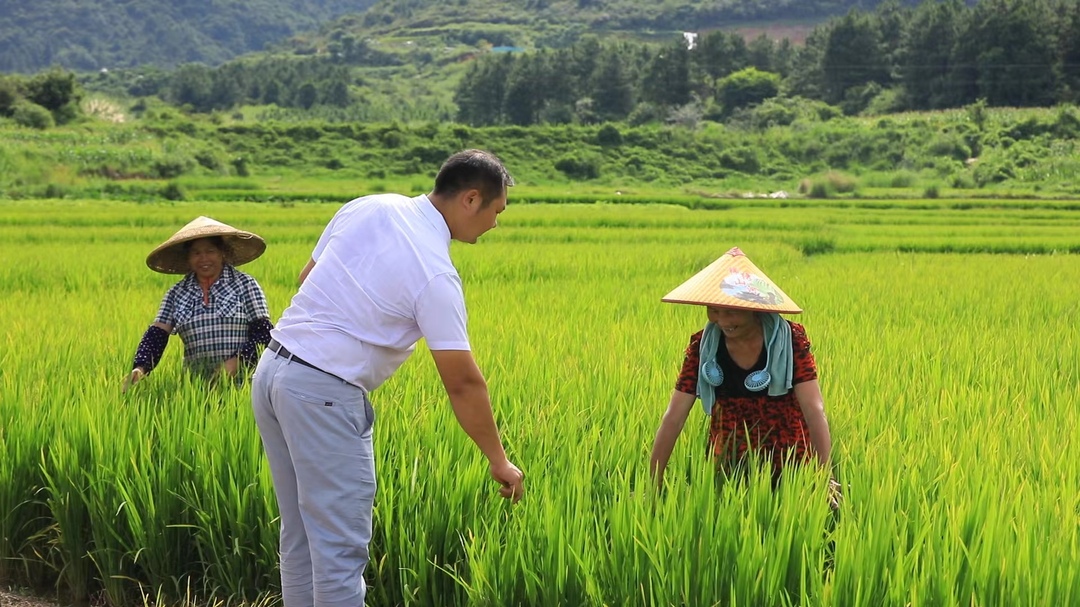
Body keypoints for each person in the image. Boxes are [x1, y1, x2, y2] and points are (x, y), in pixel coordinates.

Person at [251, 149, 526, 607]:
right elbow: (462, 382)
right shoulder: (435, 274)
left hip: (274, 372)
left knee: (299, 534)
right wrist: (499, 461)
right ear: (471, 199)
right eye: (497, 211)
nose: (496, 223)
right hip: (323, 393)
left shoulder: (369, 205)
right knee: (339, 549)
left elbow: (307, 279)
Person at [649, 247, 838, 504]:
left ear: (754, 308)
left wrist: (824, 474)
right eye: (714, 310)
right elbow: (674, 416)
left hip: (789, 455)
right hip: (729, 459)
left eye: (731, 311)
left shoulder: (790, 340)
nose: (721, 320)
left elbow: (814, 409)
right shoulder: (702, 347)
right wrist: (653, 482)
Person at [122, 216, 273, 391]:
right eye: (196, 253)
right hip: (197, 387)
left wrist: (236, 362)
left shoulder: (245, 284)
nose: (204, 258)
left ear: (222, 253)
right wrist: (140, 368)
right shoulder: (176, 293)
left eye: (210, 251)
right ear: (188, 258)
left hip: (245, 384)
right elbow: (157, 335)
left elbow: (264, 333)